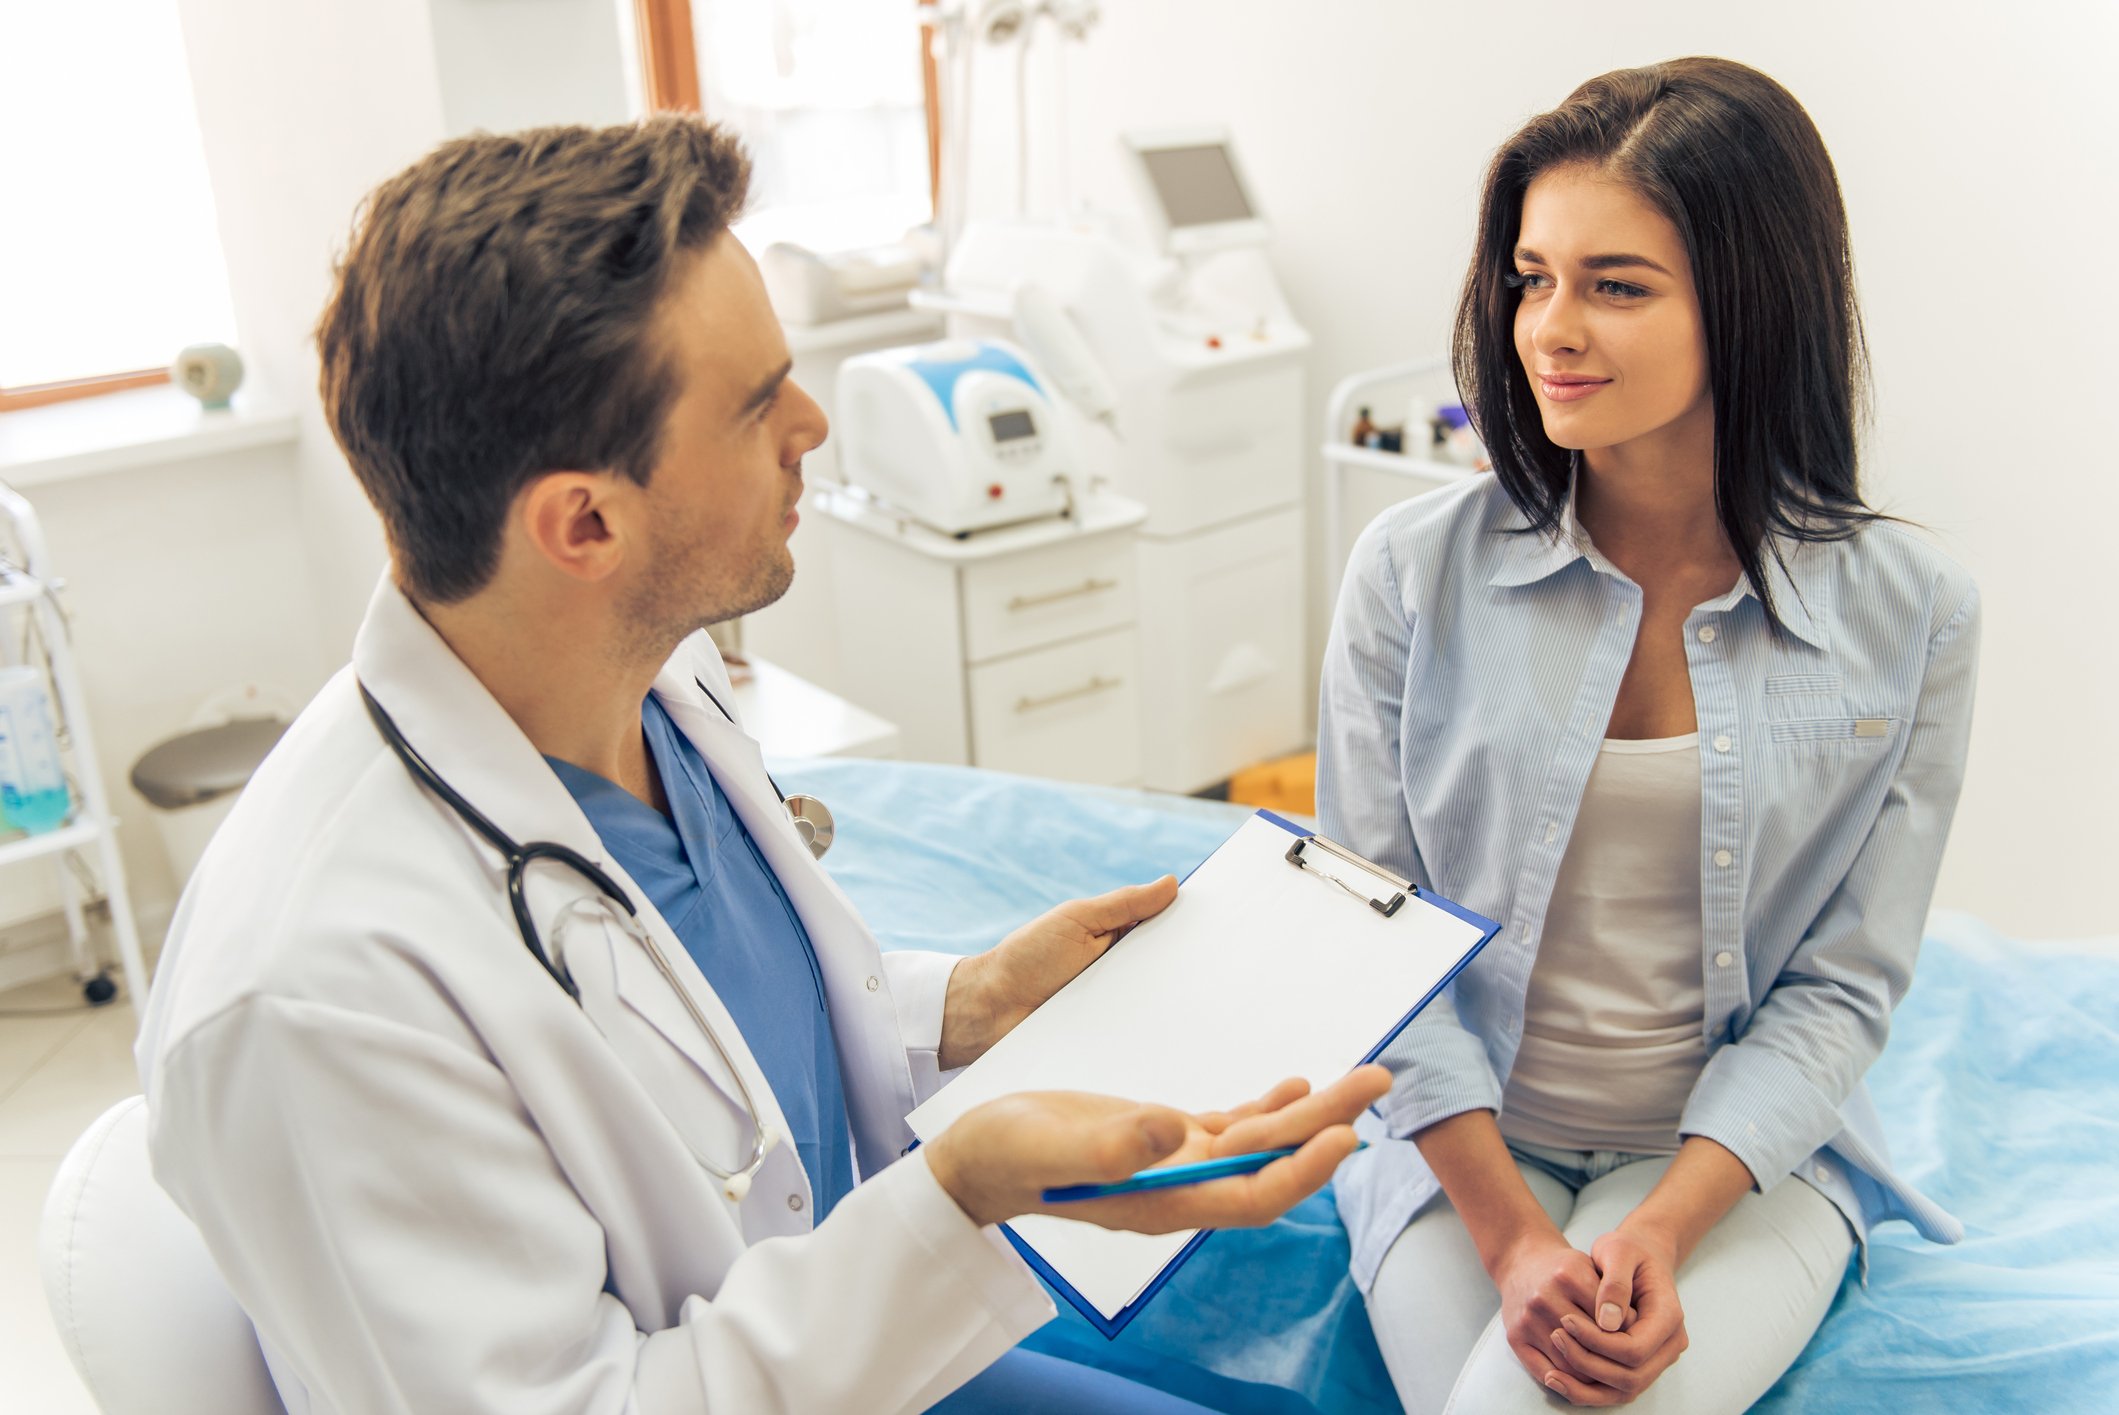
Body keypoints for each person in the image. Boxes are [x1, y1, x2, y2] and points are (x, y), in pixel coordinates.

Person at [135, 116, 1388, 1415]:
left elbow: (707, 1048)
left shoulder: (654, 680)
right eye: (755, 406)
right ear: (586, 523)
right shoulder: (315, 998)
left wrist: (964, 1005)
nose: (814, 422)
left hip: (822, 1336)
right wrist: (961, 1191)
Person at [1318, 57, 1979, 1413]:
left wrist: (1659, 1229)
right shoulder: (1407, 572)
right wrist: (1512, 1240)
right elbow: (1370, 947)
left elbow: (1843, 989)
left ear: (1750, 304)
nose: (1551, 327)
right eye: (1530, 277)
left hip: (1732, 1168)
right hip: (1458, 1150)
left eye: (1616, 285)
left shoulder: (1915, 616)